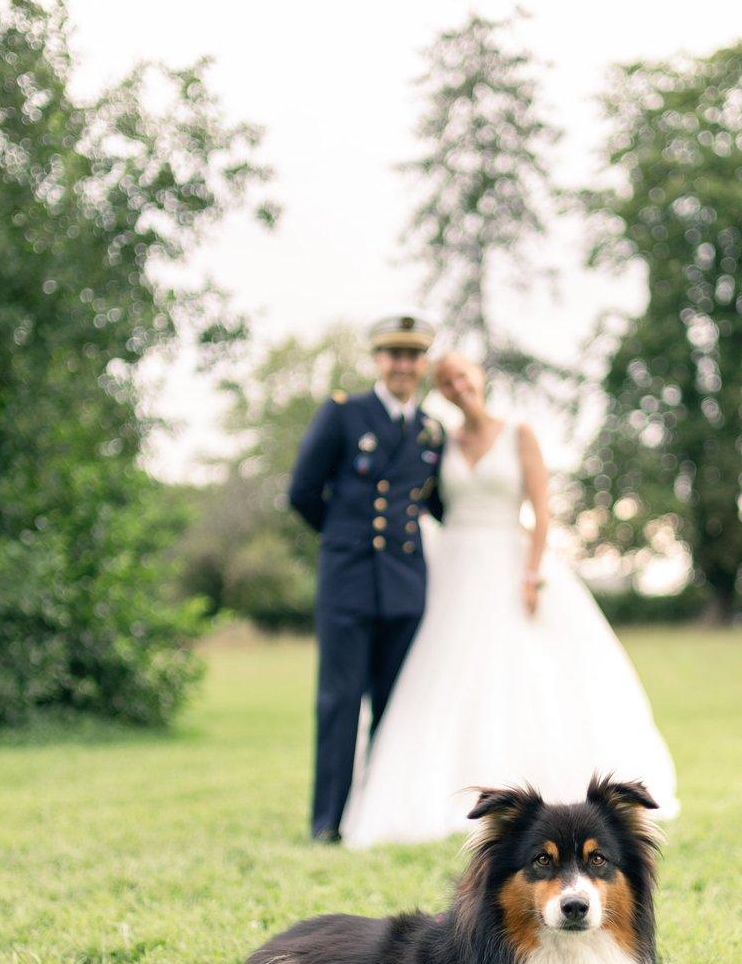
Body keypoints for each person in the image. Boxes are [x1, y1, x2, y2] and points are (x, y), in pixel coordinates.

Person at [341, 352, 679, 847]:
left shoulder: (519, 432)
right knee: (446, 674)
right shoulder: (441, 443)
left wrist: (532, 571)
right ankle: (441, 789)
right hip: (453, 567)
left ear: (479, 378)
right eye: (447, 382)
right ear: (443, 392)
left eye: (463, 376)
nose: (458, 386)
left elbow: (542, 510)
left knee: (522, 671)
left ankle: (532, 785)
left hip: (509, 561)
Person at [288, 315, 446, 841]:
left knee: (394, 707)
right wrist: (342, 538)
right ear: (378, 361)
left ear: (423, 364)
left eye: (412, 356)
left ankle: (374, 817)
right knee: (339, 702)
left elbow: (440, 505)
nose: (403, 366)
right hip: (349, 580)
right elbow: (303, 492)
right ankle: (326, 822)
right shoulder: (343, 414)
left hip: (404, 586)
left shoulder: (431, 430)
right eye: (393, 355)